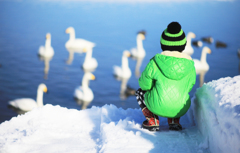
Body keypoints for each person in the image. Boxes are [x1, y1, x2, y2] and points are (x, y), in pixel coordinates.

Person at [135, 22, 196, 131]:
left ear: (162, 44)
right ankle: (174, 121)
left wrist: (154, 88)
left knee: (139, 92)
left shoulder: (155, 62)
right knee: (180, 91)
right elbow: (189, 86)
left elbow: (144, 85)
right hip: (180, 108)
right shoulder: (190, 65)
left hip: (156, 106)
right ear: (184, 45)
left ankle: (152, 121)